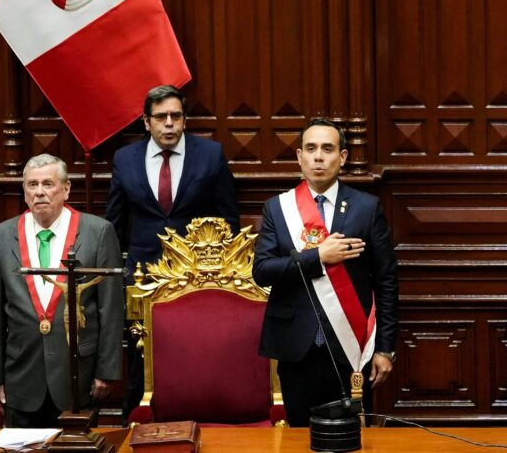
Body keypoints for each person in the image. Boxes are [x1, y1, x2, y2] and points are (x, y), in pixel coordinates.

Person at [105, 84, 240, 418]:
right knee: (141, 359)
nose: (169, 124)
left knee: (193, 354)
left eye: (175, 116)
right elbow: (115, 223)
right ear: (146, 122)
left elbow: (229, 220)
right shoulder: (125, 159)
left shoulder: (210, 155)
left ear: (184, 120)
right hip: (144, 277)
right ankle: (134, 422)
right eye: (161, 117)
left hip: (198, 277)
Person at [253, 118, 399, 427]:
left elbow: (386, 282)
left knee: (352, 438)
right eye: (311, 148)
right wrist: (318, 256)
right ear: (299, 156)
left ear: (342, 157)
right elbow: (263, 271)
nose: (319, 156)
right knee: (299, 442)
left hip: (352, 348)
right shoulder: (277, 209)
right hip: (297, 349)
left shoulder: (366, 208)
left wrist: (385, 348)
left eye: (328, 149)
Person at [0, 154, 124, 427]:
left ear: (66, 189)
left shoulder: (98, 232)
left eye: (48, 184)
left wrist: (106, 372)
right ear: (24, 191)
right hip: (21, 374)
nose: (39, 192)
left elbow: (111, 309)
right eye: (32, 184)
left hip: (78, 376)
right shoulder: (1, 236)